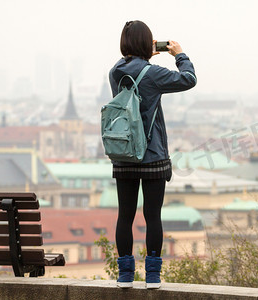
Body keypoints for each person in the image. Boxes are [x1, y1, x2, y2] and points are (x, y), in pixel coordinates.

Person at [108, 20, 197, 289]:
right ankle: (153, 277)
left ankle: (124, 276)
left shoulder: (114, 72)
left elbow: (131, 71)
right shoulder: (154, 73)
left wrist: (141, 57)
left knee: (125, 215)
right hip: (153, 154)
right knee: (153, 216)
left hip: (123, 153)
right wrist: (179, 54)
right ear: (148, 43)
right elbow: (189, 80)